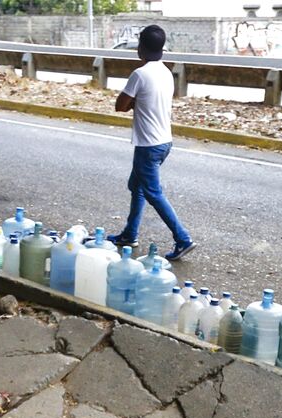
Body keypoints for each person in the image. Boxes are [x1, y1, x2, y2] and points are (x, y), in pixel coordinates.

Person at [107, 24, 193, 262]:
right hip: (165, 141)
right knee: (137, 187)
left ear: (140, 48)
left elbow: (120, 106)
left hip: (148, 146)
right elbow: (150, 102)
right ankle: (129, 234)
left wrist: (134, 102)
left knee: (153, 193)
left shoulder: (140, 74)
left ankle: (182, 238)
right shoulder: (166, 72)